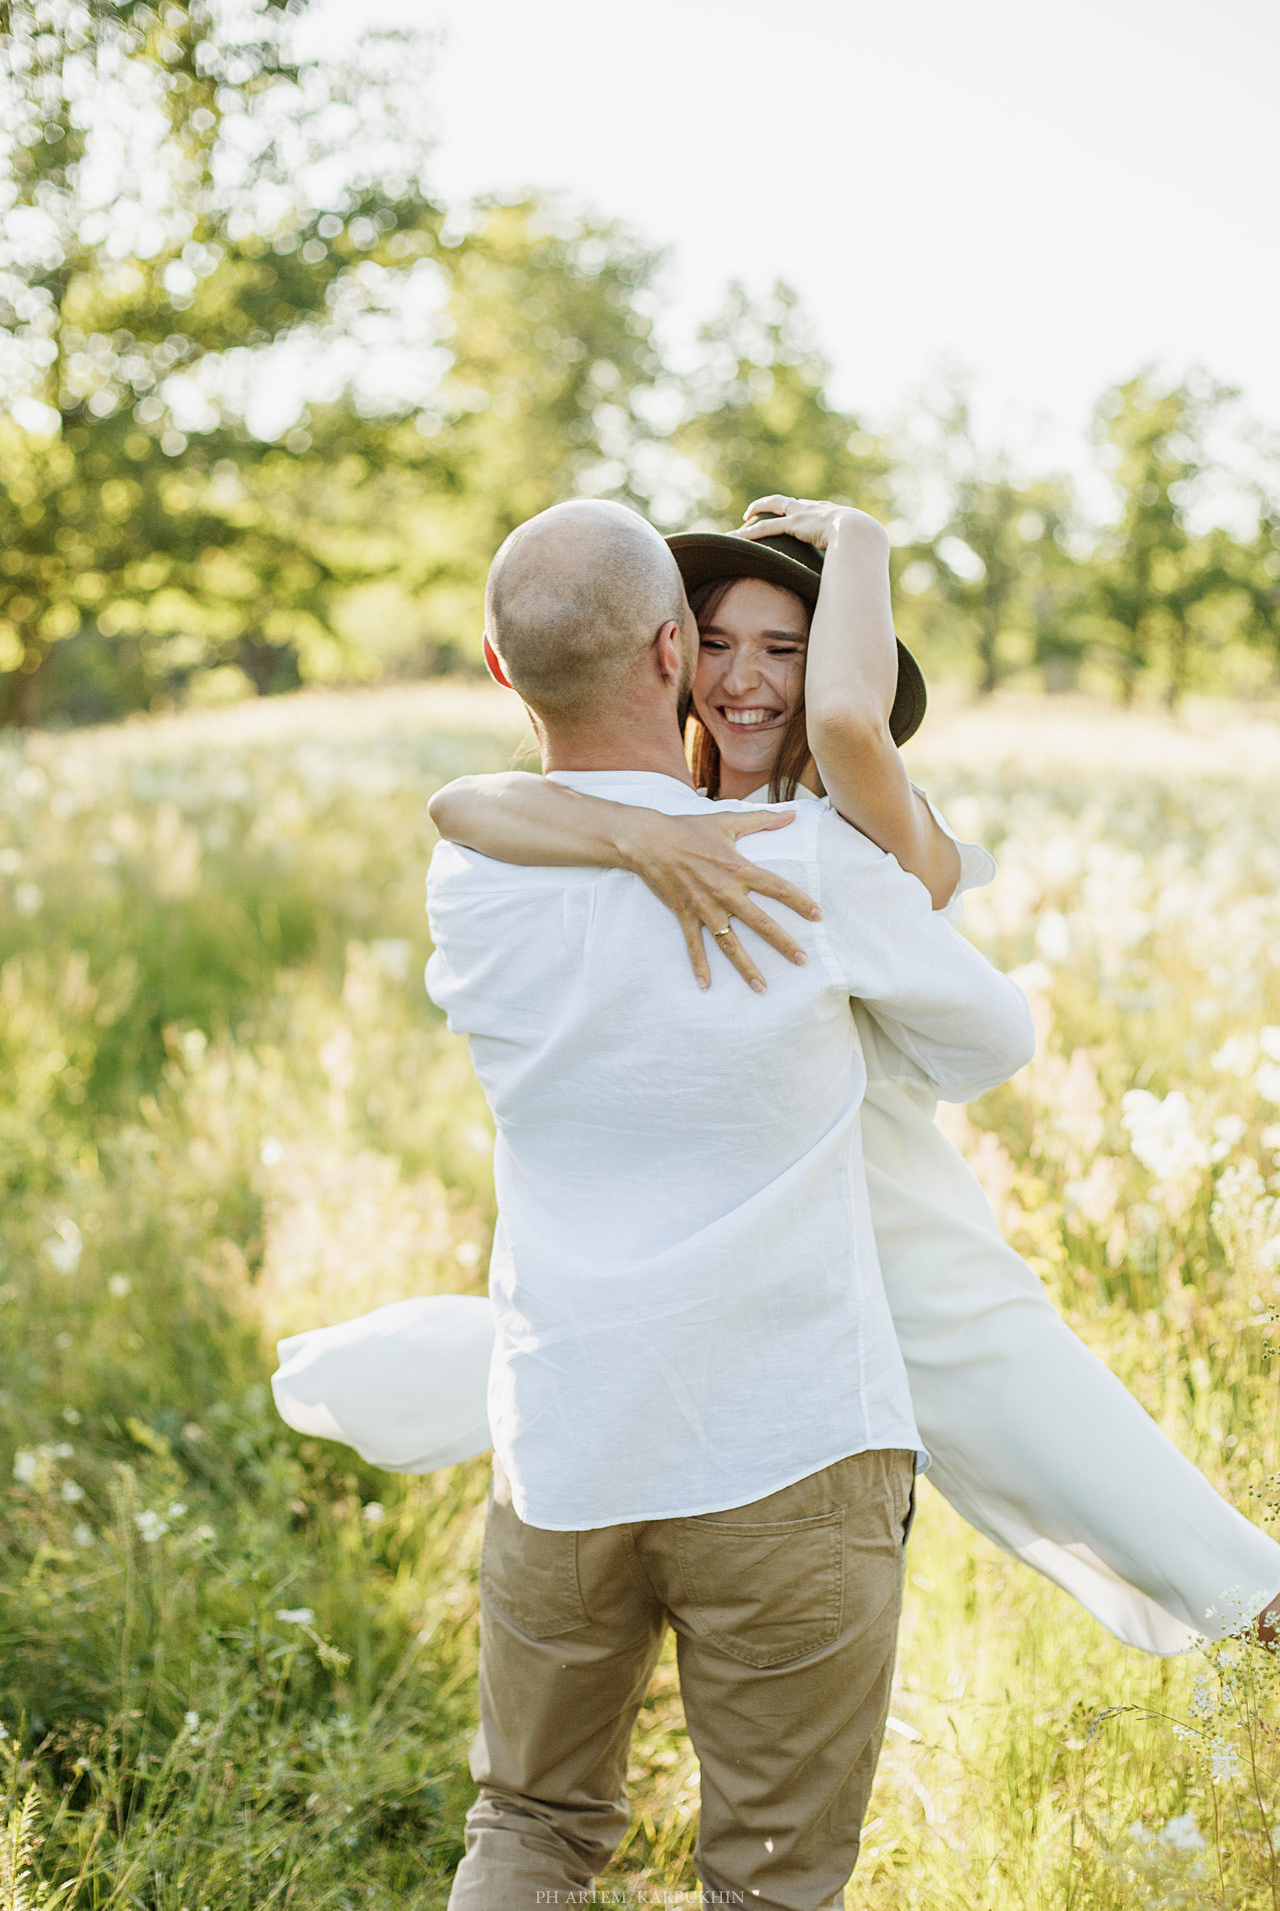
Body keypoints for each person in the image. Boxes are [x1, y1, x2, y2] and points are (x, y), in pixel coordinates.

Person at [428, 493, 1280, 1659]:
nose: (745, 681)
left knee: (1122, 1495)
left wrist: (863, 542)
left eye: (785, 648)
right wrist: (637, 835)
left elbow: (841, 727)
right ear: (667, 652)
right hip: (755, 1232)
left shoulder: (856, 814)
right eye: (716, 642)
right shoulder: (655, 817)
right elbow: (462, 802)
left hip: (890, 1216)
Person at [423, 496, 1035, 1910]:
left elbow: (465, 798)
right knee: (771, 1879)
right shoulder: (809, 872)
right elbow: (991, 1043)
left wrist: (635, 839)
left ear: (502, 673)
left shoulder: (471, 876)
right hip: (790, 1448)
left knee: (527, 1823)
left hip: (565, 1445)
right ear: (672, 656)